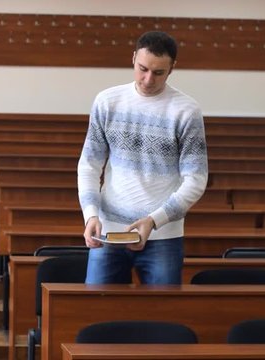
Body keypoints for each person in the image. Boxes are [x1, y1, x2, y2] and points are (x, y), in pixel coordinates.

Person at [77, 31, 208, 285]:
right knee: (97, 310)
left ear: (172, 69)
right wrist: (91, 215)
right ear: (134, 58)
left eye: (158, 73)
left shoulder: (186, 111)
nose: (148, 80)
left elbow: (196, 180)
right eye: (143, 69)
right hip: (109, 231)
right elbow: (89, 165)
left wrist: (154, 220)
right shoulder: (107, 102)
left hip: (163, 236)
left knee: (162, 317)